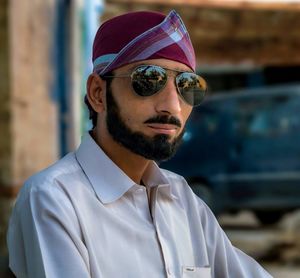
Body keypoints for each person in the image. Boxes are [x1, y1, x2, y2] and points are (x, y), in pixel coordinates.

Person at [7, 10, 272, 278]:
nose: (172, 106)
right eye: (148, 80)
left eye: (187, 84)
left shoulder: (183, 200)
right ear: (99, 93)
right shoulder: (53, 199)